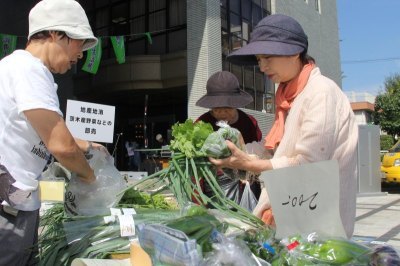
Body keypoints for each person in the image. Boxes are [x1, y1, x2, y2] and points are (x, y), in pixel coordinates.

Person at [209, 14, 358, 238]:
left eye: (267, 57)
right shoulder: (287, 96)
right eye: (259, 59)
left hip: (319, 221)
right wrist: (235, 151)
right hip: (293, 211)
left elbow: (307, 165)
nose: (262, 66)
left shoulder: (320, 92)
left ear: (295, 52)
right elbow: (276, 150)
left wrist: (249, 164)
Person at [0, 0, 105, 264]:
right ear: (57, 34)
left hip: (15, 200)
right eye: (78, 43)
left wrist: (86, 145)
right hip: (8, 205)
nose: (80, 54)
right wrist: (90, 180)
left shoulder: (16, 67)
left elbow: (35, 131)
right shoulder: (30, 70)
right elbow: (61, 147)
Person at [196, 70, 262, 204]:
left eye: (228, 109)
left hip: (247, 186)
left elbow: (258, 154)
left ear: (236, 104)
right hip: (215, 192)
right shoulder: (201, 125)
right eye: (217, 110)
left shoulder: (249, 122)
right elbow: (195, 168)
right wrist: (198, 201)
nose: (222, 114)